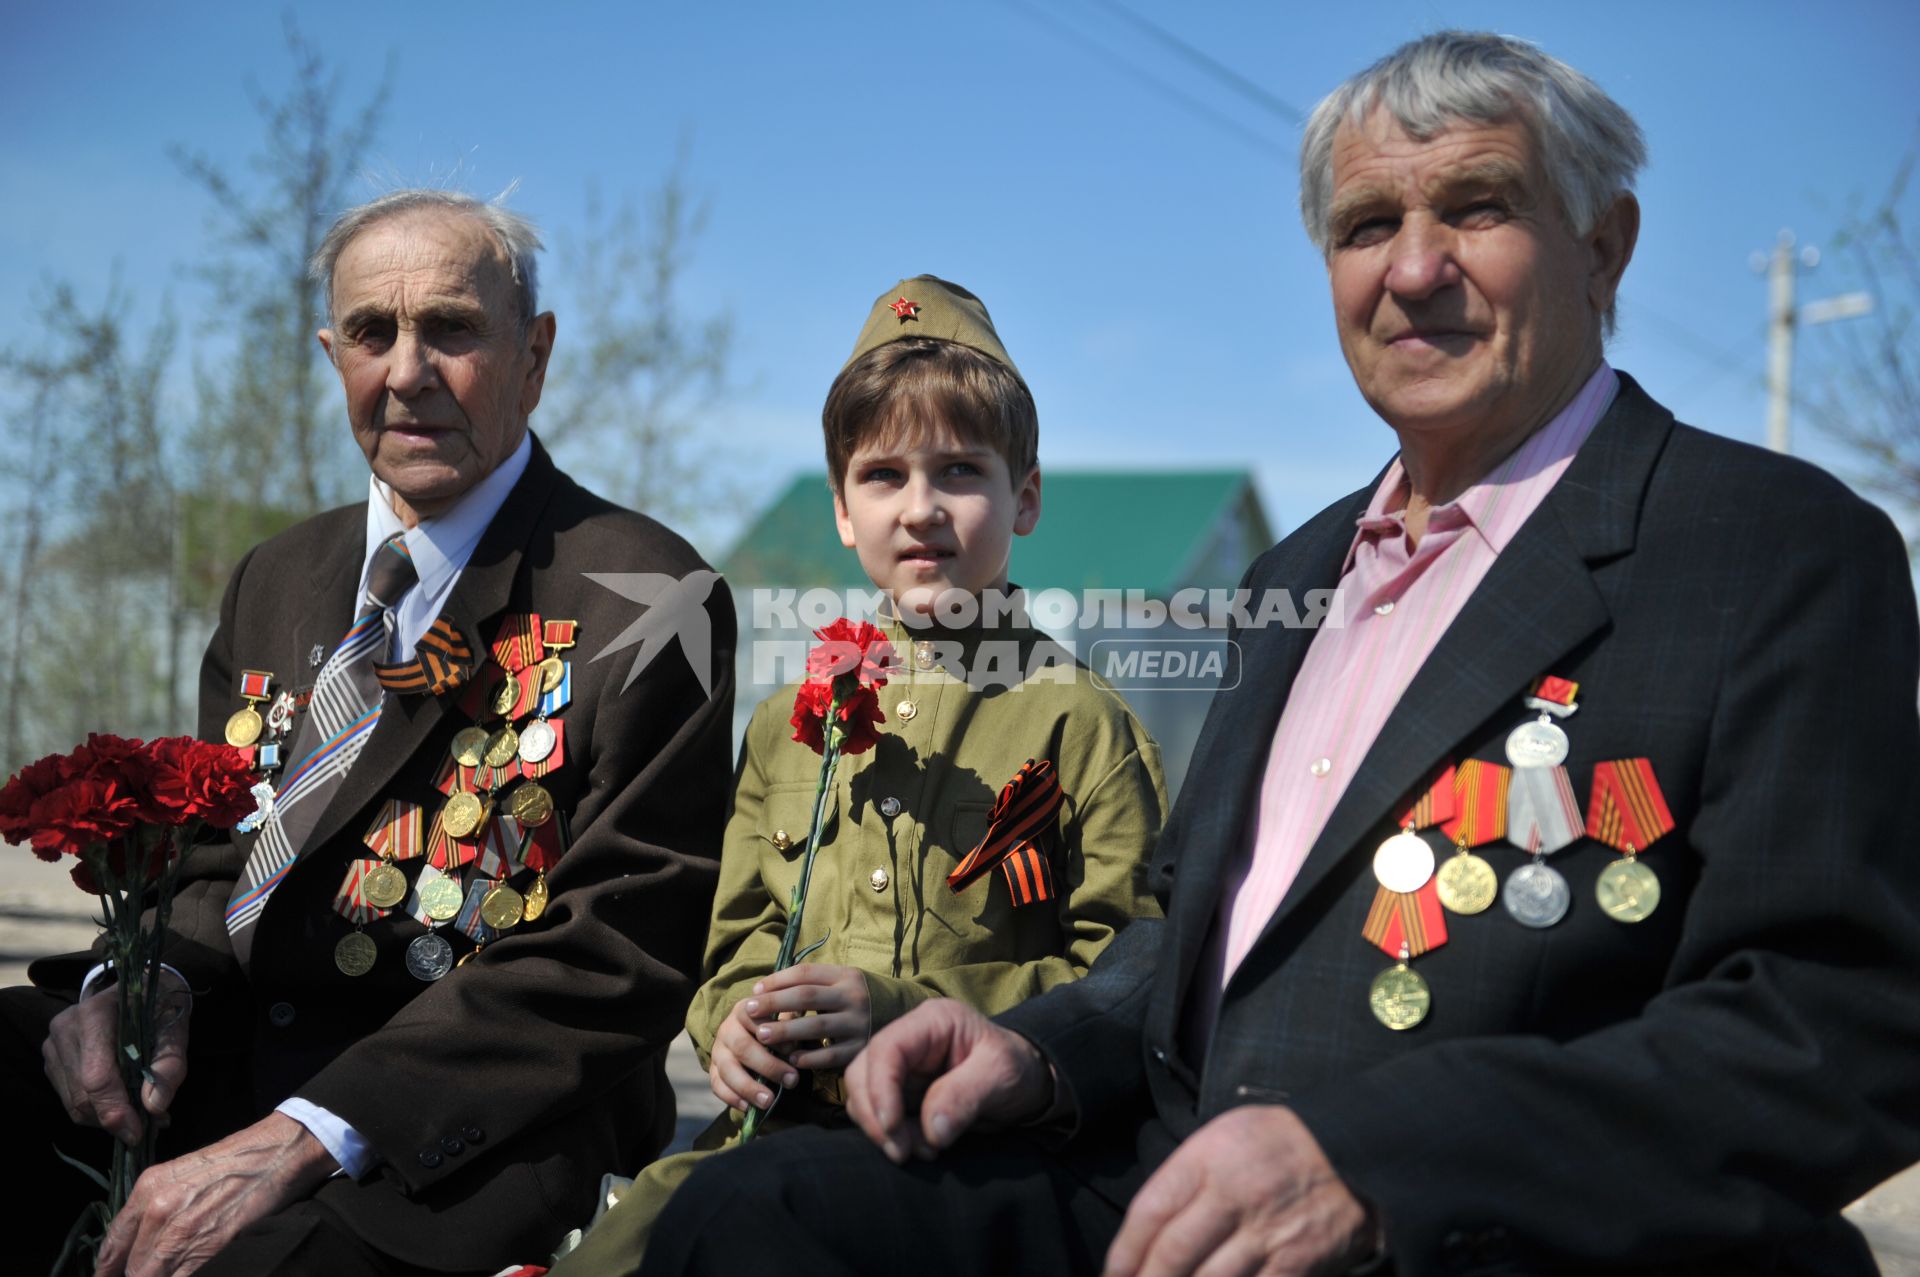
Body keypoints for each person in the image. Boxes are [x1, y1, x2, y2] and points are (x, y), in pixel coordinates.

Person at [638, 33, 1920, 1277]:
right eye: (1366, 226)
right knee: (755, 1214)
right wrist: (1031, 1048)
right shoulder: (1291, 578)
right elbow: (1172, 947)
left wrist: (1375, 1164)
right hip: (1168, 1193)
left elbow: (1836, 1022)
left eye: (1476, 207)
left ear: (1604, 245)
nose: (1414, 269)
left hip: (1480, 1230)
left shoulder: (1770, 550)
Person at [8, 190, 736, 1277]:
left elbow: (615, 952)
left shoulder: (648, 593)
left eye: (451, 327)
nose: (405, 370)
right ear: (330, 351)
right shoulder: (278, 576)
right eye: (370, 332)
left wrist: (306, 1130)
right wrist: (141, 983)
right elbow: (217, 866)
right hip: (232, 1049)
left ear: (534, 355)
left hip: (461, 1129)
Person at [552, 276, 1167, 1274]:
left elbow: (1133, 984)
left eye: (962, 469)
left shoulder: (1081, 723)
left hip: (972, 1152)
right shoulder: (788, 728)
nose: (921, 508)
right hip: (772, 1134)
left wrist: (910, 1005)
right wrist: (734, 1026)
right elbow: (740, 937)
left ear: (1029, 495)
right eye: (883, 475)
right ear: (841, 508)